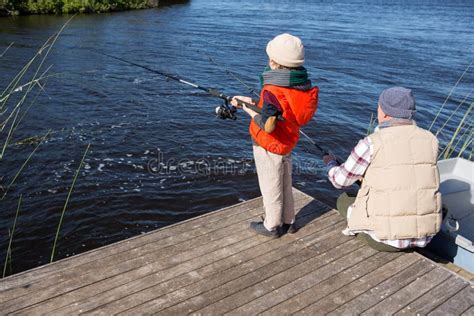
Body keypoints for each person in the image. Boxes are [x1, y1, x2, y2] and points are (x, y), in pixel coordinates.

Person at [323, 87, 442, 252]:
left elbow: (339, 181)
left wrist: (330, 164)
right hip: (424, 237)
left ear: (385, 113)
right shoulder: (431, 140)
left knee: (344, 199)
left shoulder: (371, 143)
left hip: (385, 240)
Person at [231, 33, 319, 238]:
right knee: (285, 183)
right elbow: (282, 110)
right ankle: (289, 222)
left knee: (271, 185)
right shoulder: (302, 86)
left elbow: (269, 125)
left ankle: (272, 226)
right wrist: (249, 101)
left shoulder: (272, 89)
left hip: (269, 144)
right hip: (288, 142)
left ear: (273, 62)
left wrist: (248, 110)